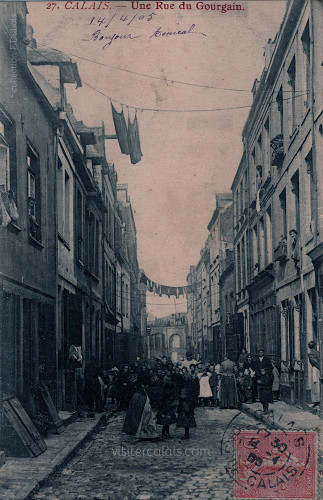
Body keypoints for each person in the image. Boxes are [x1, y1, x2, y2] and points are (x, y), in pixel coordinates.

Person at [177, 372, 199, 440]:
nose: (186, 378)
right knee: (185, 418)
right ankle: (186, 433)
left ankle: (186, 434)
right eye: (185, 377)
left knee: (187, 418)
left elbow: (192, 393)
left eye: (187, 377)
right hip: (185, 402)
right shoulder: (184, 384)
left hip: (188, 403)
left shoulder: (191, 385)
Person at [308, 341, 320, 408]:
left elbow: (315, 362)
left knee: (315, 385)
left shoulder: (311, 354)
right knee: (317, 384)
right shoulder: (317, 353)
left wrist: (320, 368)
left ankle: (316, 401)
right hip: (318, 369)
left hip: (315, 369)